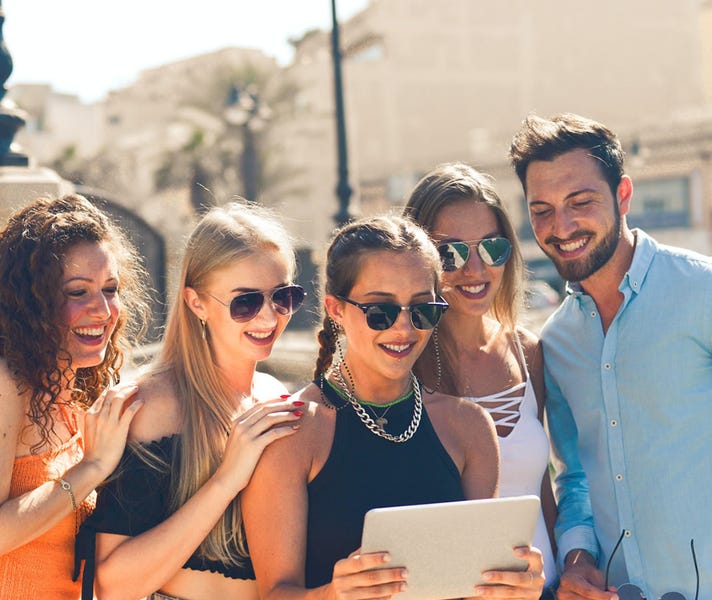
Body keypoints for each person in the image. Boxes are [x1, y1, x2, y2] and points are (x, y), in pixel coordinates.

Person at [508, 112, 712, 600]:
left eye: (581, 202)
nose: (562, 226)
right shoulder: (557, 340)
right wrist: (578, 557)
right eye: (542, 210)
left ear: (623, 195)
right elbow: (574, 478)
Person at [242, 214, 545, 599]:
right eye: (380, 311)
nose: (403, 328)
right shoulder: (292, 433)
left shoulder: (469, 428)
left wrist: (513, 588)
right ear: (336, 309)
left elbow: (478, 585)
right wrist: (333, 594)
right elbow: (274, 593)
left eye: (422, 310)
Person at [76, 202, 307, 600]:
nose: (270, 318)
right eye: (246, 303)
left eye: (283, 297)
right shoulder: (151, 406)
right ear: (196, 302)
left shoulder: (277, 395)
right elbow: (113, 586)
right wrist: (226, 481)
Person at [403, 162, 558, 592]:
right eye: (450, 253)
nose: (475, 269)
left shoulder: (529, 353)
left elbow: (542, 490)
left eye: (491, 248)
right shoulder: (403, 365)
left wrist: (572, 569)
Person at [0, 193, 149, 599]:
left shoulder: (81, 394)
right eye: (78, 292)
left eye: (110, 289)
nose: (102, 310)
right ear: (32, 303)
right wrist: (91, 468)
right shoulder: (8, 384)